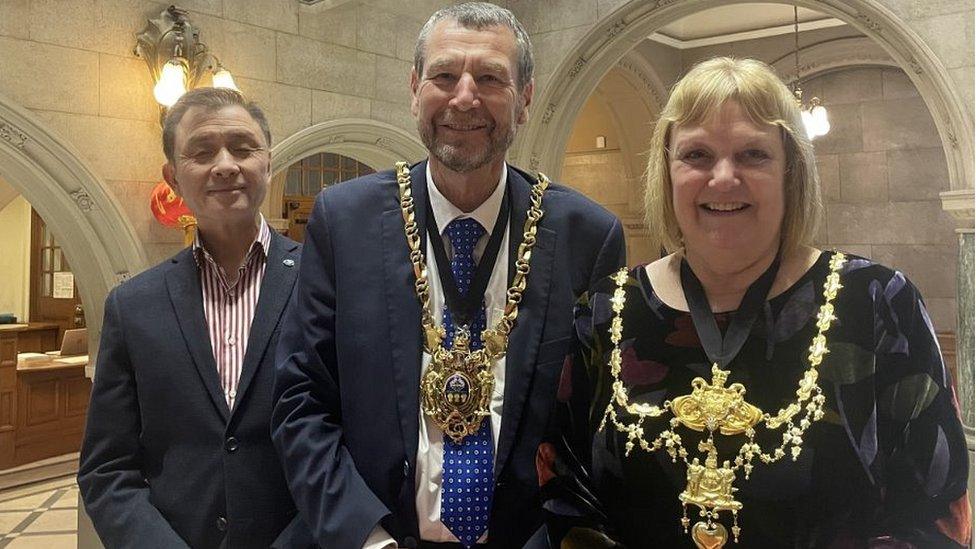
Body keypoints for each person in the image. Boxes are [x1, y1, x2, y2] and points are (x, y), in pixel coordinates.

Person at [537, 57, 971, 548]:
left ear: (791, 172)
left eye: (752, 154)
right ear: (667, 172)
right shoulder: (604, 311)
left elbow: (933, 510)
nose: (723, 178)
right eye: (697, 155)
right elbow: (565, 490)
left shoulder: (877, 305)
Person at [271, 3, 626, 548]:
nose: (464, 97)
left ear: (525, 98)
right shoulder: (344, 222)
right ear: (415, 88)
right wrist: (367, 539)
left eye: (489, 77)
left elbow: (596, 431)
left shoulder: (588, 236)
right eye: (443, 75)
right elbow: (301, 400)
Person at [78, 88, 314, 548]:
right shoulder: (132, 305)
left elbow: (354, 441)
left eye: (243, 148)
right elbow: (106, 468)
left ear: (267, 160)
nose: (225, 164)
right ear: (173, 176)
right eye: (202, 152)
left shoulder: (326, 286)